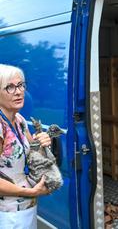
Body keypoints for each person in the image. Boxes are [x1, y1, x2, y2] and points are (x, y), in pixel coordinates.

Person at [0, 64, 52, 229]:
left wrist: (42, 140)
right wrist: (31, 192)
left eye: (21, 85)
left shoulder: (20, 120)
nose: (18, 91)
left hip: (26, 208)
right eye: (9, 87)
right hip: (8, 214)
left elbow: (33, 151)